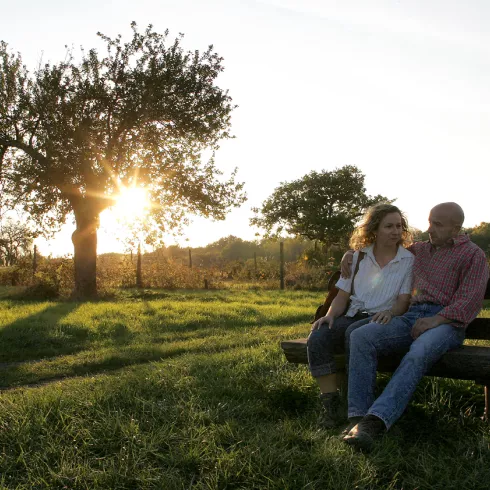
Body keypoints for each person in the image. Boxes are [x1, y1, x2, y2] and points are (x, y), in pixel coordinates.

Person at [341, 202, 489, 451]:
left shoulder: (473, 255)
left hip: (447, 323)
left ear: (457, 228)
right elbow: (384, 249)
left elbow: (469, 301)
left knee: (418, 352)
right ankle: (358, 418)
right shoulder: (419, 250)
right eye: (430, 222)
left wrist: (435, 320)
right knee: (362, 336)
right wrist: (354, 254)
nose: (429, 228)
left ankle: (376, 422)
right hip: (411, 317)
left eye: (438, 224)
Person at [307, 203, 414, 428]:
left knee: (355, 334)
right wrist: (329, 316)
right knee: (318, 335)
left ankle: (355, 409)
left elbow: (404, 301)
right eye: (389, 226)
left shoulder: (407, 260)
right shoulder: (357, 257)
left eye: (399, 226)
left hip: (380, 319)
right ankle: (330, 406)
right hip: (353, 314)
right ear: (374, 229)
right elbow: (342, 296)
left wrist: (390, 312)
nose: (396, 231)